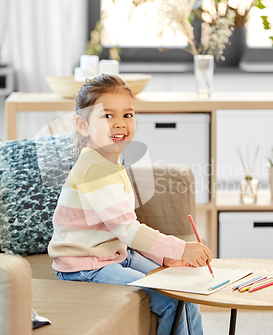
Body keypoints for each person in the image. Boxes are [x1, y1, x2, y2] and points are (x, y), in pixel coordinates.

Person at [48, 73, 212, 335]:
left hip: (113, 255)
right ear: (83, 125)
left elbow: (122, 229)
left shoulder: (110, 163)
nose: (120, 124)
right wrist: (181, 249)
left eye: (128, 115)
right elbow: (128, 229)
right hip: (85, 268)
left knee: (181, 286)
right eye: (107, 116)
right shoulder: (94, 169)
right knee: (173, 296)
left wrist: (165, 256)